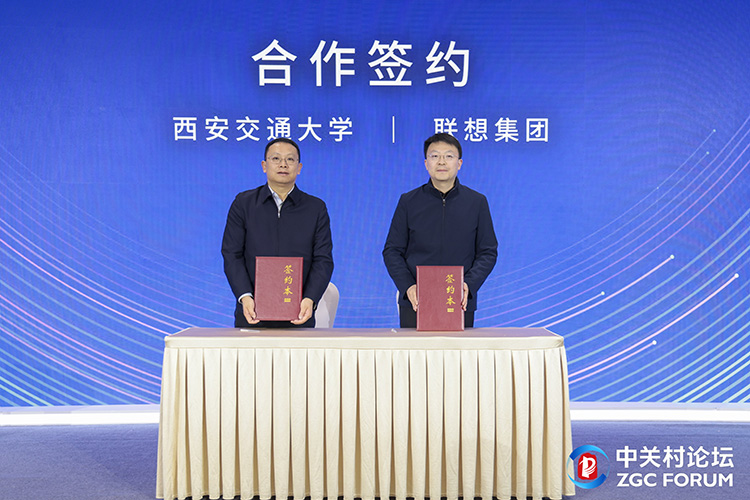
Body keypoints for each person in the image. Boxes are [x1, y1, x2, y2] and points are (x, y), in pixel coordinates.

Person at [383, 133, 498, 327]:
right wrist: (408, 286)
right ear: (426, 163)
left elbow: (488, 252)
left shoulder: (477, 202)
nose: (441, 162)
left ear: (459, 163)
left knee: (458, 348)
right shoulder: (409, 201)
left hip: (459, 300)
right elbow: (392, 250)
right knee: (415, 348)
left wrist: (468, 285)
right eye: (435, 156)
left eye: (449, 156)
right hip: (416, 301)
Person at [221, 138, 333, 327]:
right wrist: (245, 296)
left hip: (299, 314)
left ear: (299, 167)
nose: (283, 164)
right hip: (252, 312)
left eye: (290, 159)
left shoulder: (315, 208)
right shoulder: (243, 203)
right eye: (276, 158)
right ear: (264, 166)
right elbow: (232, 254)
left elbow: (323, 259)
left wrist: (310, 299)